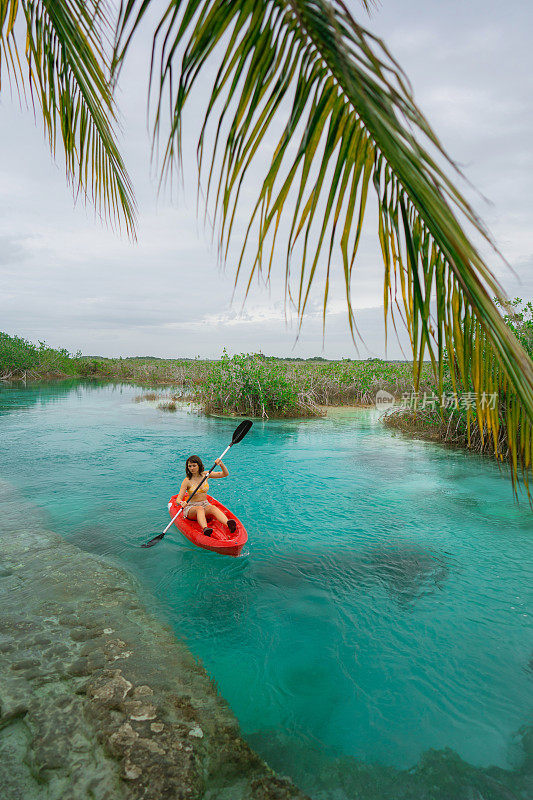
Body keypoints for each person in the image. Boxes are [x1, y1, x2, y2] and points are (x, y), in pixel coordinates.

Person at [177, 455, 237, 537]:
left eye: (194, 466)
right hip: (191, 508)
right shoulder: (187, 481)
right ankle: (205, 529)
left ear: (199, 465)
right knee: (200, 509)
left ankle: (228, 524)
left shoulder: (206, 475)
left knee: (213, 508)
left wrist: (221, 464)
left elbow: (225, 474)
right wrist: (181, 502)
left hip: (205, 503)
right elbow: (179, 498)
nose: (192, 468)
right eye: (189, 466)